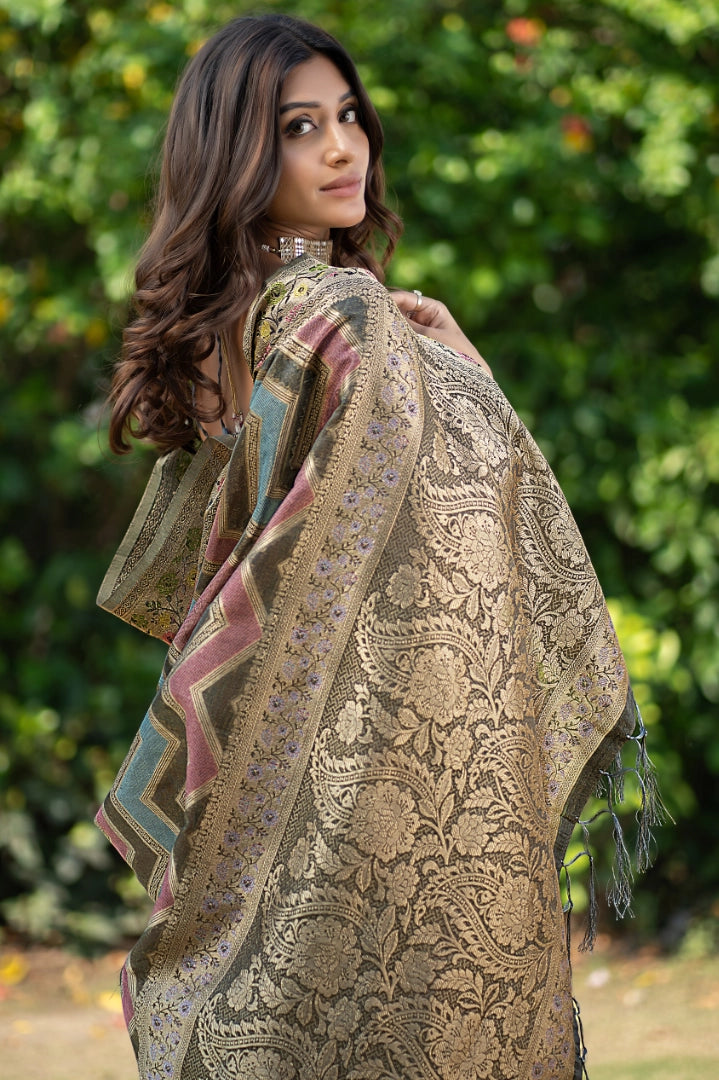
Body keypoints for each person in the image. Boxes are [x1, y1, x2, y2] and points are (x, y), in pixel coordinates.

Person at [96, 14, 659, 1080]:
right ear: (234, 151)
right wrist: (470, 380)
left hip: (267, 750)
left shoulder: (239, 321)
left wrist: (454, 372)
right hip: (372, 745)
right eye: (299, 127)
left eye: (348, 116)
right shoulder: (345, 309)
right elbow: (463, 503)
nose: (342, 147)